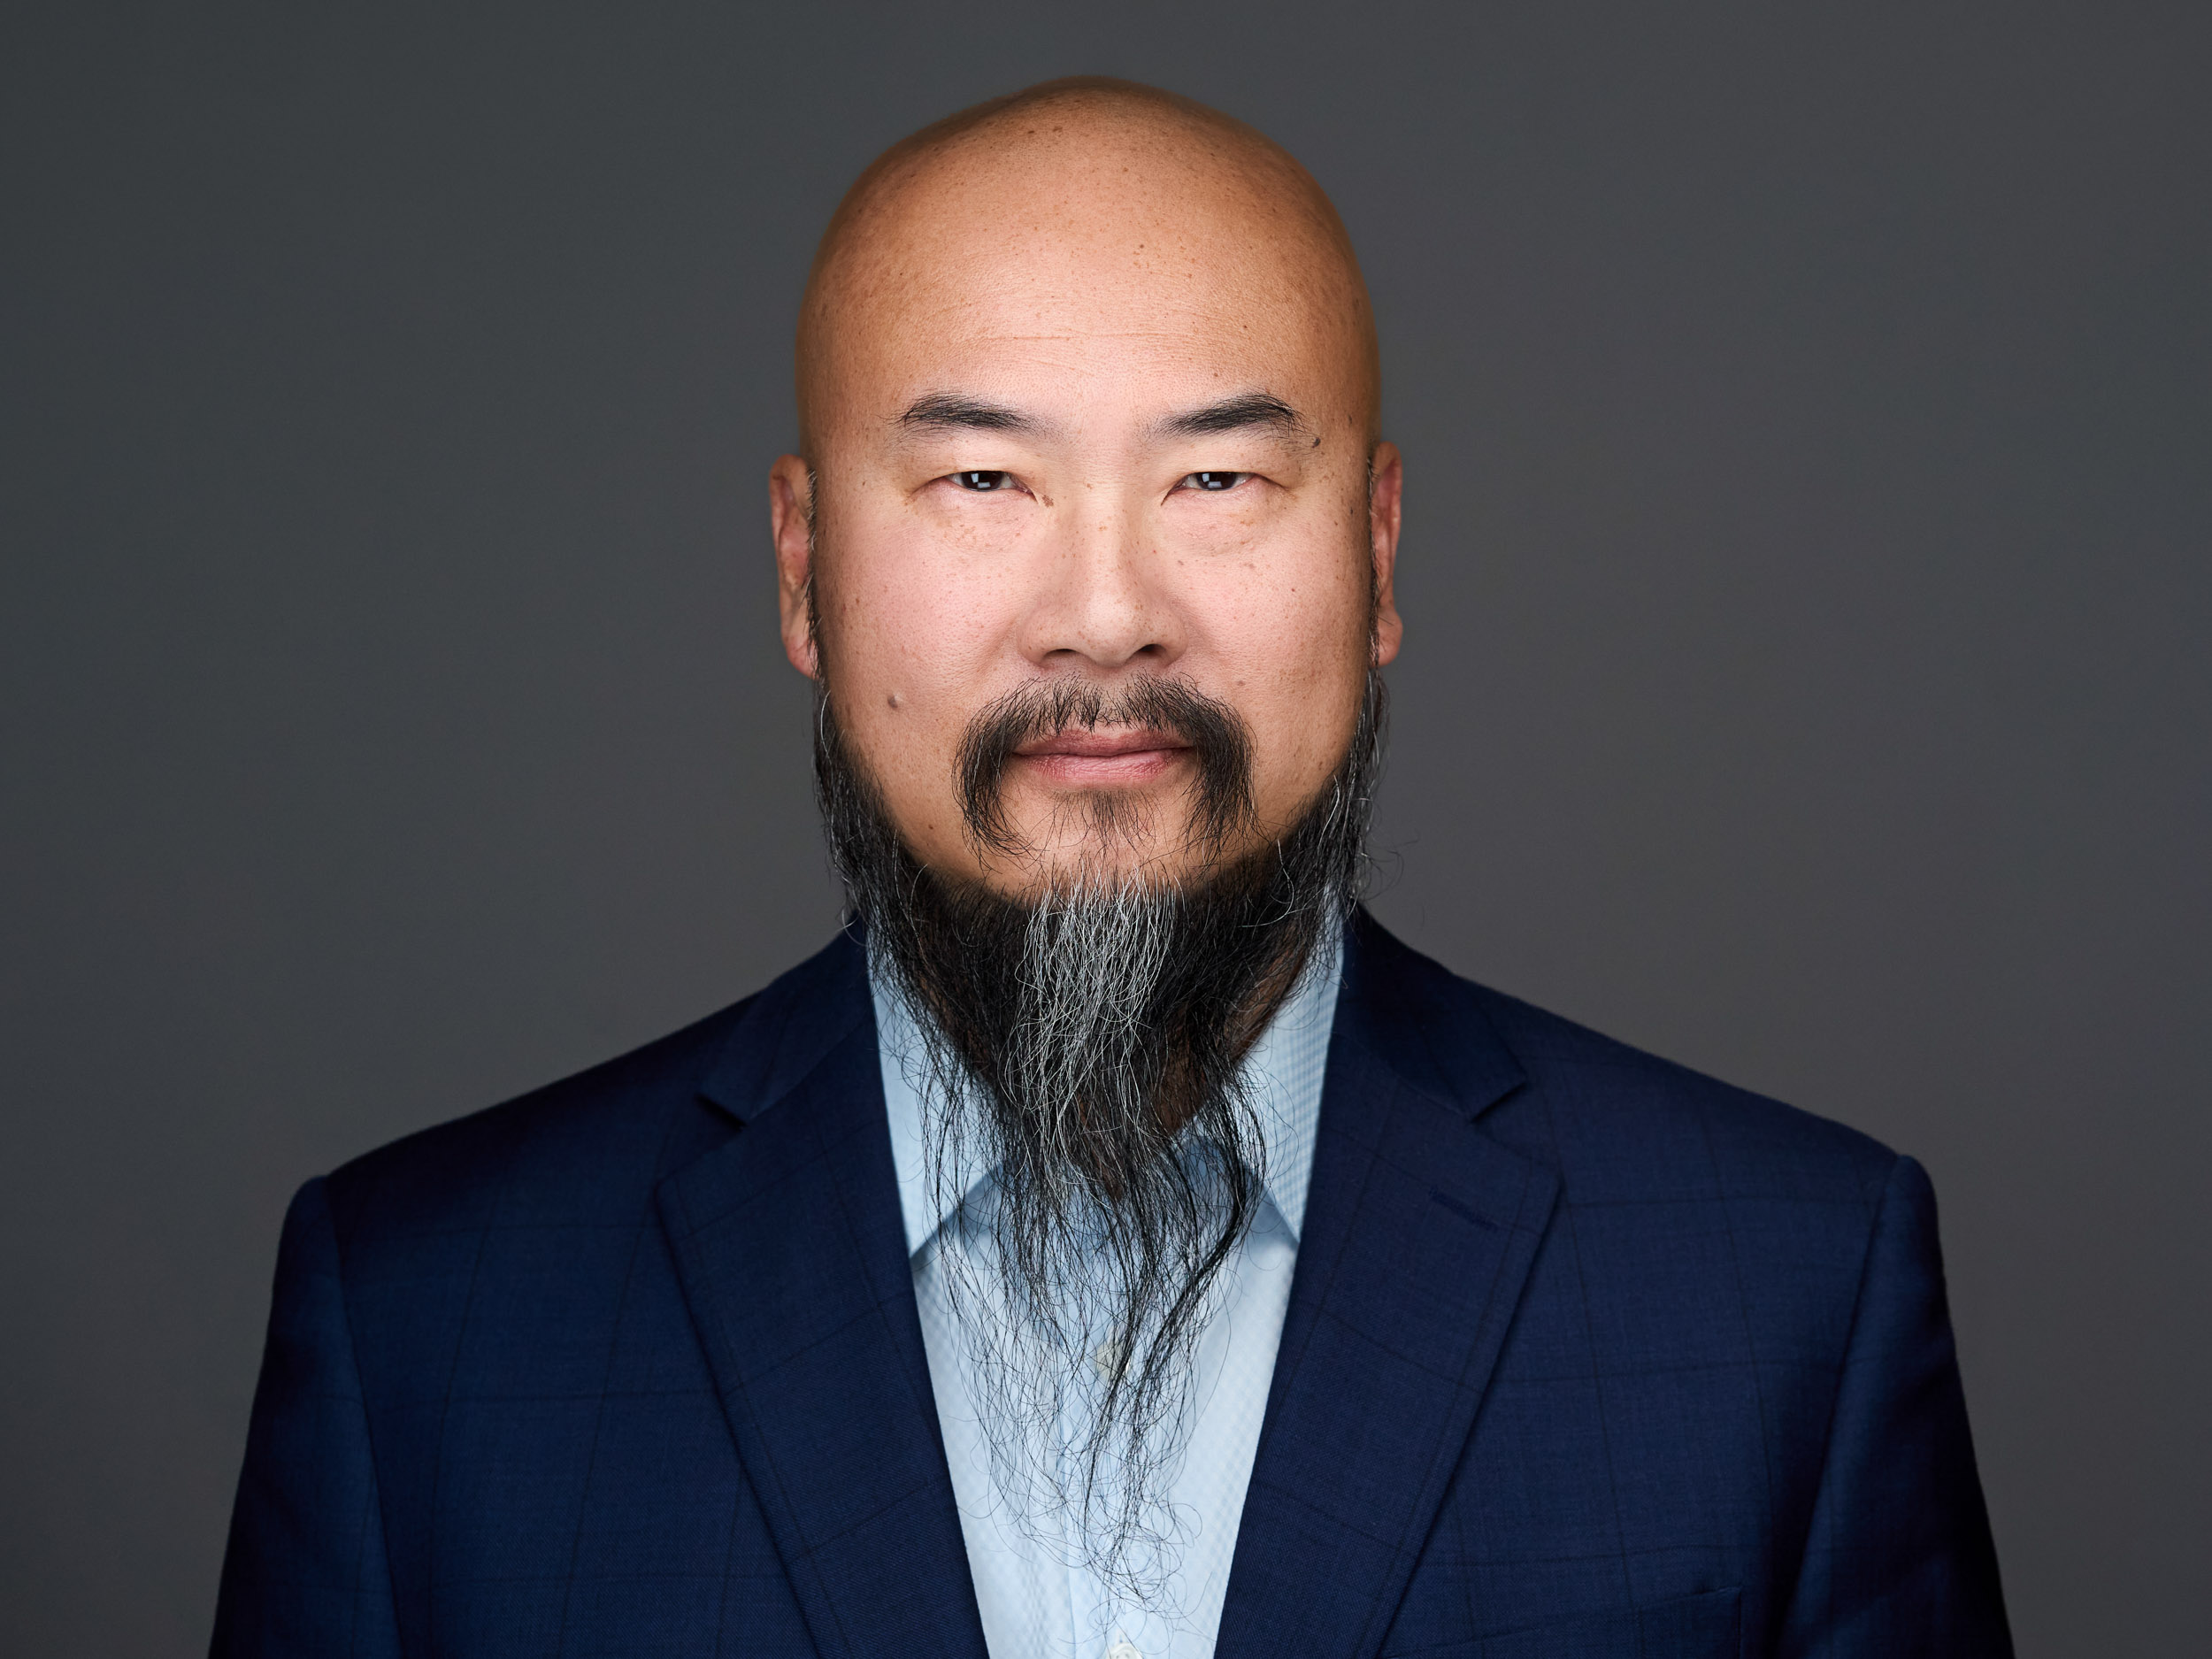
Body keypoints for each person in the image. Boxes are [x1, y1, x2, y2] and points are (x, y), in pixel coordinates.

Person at [212, 78, 2011, 1659]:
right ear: (798, 568)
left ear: (1376, 550)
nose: (1102, 613)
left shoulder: (1776, 1288)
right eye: (982, 480)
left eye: (1218, 479)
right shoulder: (429, 1328)